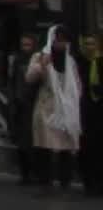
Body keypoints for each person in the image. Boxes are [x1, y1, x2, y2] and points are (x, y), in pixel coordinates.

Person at [26, 24, 83, 196]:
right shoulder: (40, 56)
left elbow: (77, 84)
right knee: (45, 146)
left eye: (65, 41)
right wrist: (41, 65)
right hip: (46, 107)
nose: (61, 44)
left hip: (67, 110)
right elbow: (29, 78)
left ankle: (65, 182)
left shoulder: (70, 61)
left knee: (66, 147)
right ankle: (45, 182)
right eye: (59, 40)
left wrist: (71, 101)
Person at [7, 32, 40, 185]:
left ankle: (35, 173)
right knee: (22, 143)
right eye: (23, 45)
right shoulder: (17, 60)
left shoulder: (38, 60)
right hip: (20, 106)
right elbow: (13, 81)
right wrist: (13, 99)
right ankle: (25, 173)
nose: (25, 47)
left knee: (34, 142)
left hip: (34, 105)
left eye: (28, 44)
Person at [80, 34, 102, 197]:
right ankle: (88, 182)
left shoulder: (100, 62)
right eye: (87, 44)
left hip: (99, 111)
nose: (89, 47)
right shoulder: (80, 64)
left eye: (92, 44)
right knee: (86, 148)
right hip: (84, 111)